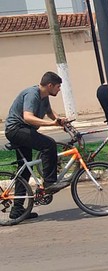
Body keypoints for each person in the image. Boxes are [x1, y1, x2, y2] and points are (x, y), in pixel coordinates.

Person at [4, 71, 69, 220]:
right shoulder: (32, 94)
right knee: (49, 145)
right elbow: (28, 117)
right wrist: (51, 123)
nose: (59, 89)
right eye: (58, 87)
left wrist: (60, 120)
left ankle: (17, 210)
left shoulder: (44, 96)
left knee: (25, 170)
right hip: (16, 130)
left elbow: (50, 112)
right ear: (50, 85)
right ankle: (49, 183)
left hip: (23, 131)